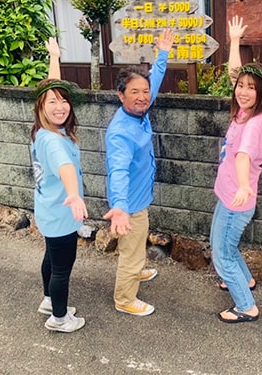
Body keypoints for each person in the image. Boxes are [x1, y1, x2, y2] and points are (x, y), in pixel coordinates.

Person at [104, 28, 175, 317]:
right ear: (121, 96)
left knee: (137, 242)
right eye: (134, 92)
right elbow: (117, 171)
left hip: (139, 198)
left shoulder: (140, 110)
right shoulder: (121, 133)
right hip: (129, 204)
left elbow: (153, 81)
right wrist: (119, 207)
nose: (143, 96)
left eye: (144, 92)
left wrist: (163, 54)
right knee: (131, 253)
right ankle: (124, 298)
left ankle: (136, 270)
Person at [210, 16, 262, 324]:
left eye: (252, 88)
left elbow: (243, 156)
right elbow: (236, 74)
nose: (243, 91)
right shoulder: (247, 112)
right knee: (227, 246)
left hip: (237, 201)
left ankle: (246, 305)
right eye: (241, 87)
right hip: (232, 196)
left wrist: (243, 186)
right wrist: (234, 42)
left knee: (221, 252)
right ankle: (244, 279)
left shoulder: (254, 123)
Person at [30, 37, 88, 333]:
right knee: (62, 268)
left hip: (47, 211)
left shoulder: (42, 132)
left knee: (50, 257)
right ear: (41, 107)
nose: (61, 105)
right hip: (62, 214)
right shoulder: (54, 142)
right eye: (53, 101)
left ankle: (48, 301)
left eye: (64, 100)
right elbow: (65, 167)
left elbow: (52, 88)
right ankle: (60, 318)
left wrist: (54, 57)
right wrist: (75, 195)